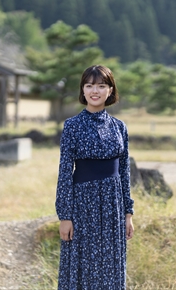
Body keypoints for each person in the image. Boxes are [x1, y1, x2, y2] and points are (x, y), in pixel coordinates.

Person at [55, 65, 134, 289]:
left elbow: (124, 171)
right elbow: (64, 173)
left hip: (113, 206)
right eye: (89, 85)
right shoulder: (72, 126)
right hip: (82, 206)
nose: (95, 91)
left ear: (110, 90)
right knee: (82, 264)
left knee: (111, 265)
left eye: (101, 85)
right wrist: (65, 216)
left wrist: (128, 213)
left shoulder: (120, 128)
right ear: (82, 90)